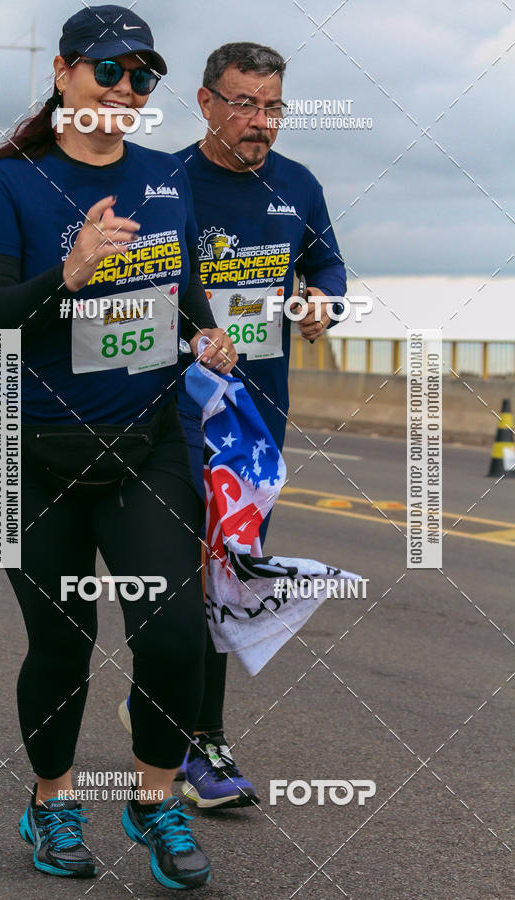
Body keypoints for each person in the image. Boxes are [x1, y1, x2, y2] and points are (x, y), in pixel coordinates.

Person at [0, 5, 236, 890]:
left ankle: (153, 804)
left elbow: (182, 283)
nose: (125, 90)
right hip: (21, 446)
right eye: (108, 71)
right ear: (64, 73)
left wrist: (205, 333)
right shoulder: (8, 183)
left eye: (141, 77)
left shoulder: (164, 177)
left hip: (142, 440)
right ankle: (51, 801)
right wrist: (69, 273)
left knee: (174, 634)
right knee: (62, 643)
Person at [171, 42, 347, 808]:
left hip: (255, 429)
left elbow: (329, 265)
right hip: (171, 419)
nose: (259, 122)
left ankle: (199, 741)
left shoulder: (300, 185)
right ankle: (177, 729)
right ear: (207, 102)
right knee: (174, 588)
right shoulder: (165, 181)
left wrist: (323, 302)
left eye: (272, 106)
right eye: (243, 104)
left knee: (229, 583)